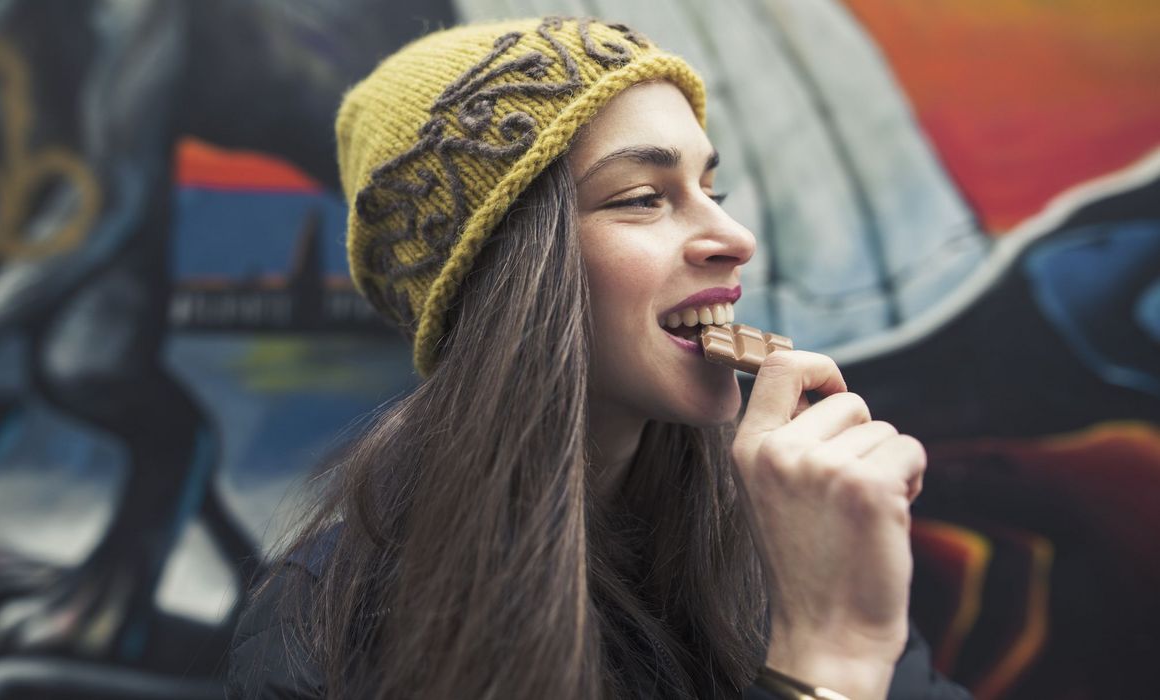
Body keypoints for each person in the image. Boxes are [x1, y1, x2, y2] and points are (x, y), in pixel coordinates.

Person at [226, 16, 970, 700]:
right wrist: (827, 665)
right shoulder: (325, 623)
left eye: (712, 187)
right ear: (503, 279)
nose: (735, 236)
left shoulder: (785, 545)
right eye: (645, 197)